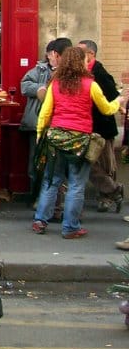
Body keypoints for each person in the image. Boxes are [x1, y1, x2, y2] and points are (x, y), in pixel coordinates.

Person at [32, 47, 127, 239]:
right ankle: (70, 227)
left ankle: (40, 220)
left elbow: (45, 113)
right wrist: (119, 101)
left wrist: (40, 135)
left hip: (55, 138)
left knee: (51, 181)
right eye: (84, 60)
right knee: (76, 184)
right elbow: (106, 109)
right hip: (80, 140)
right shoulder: (90, 85)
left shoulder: (55, 84)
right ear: (81, 62)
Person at [78, 39, 123, 213]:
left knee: (106, 163)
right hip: (85, 126)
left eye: (81, 51)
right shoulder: (81, 73)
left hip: (102, 127)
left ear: (91, 54)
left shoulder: (100, 74)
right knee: (88, 162)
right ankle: (113, 190)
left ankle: (107, 197)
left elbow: (113, 99)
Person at [19, 39, 64, 203]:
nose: (50, 57)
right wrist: (40, 88)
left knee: (56, 165)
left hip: (59, 125)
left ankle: (52, 201)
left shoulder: (68, 73)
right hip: (37, 123)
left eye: (52, 54)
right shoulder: (40, 69)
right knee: (35, 162)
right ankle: (36, 196)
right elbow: (24, 85)